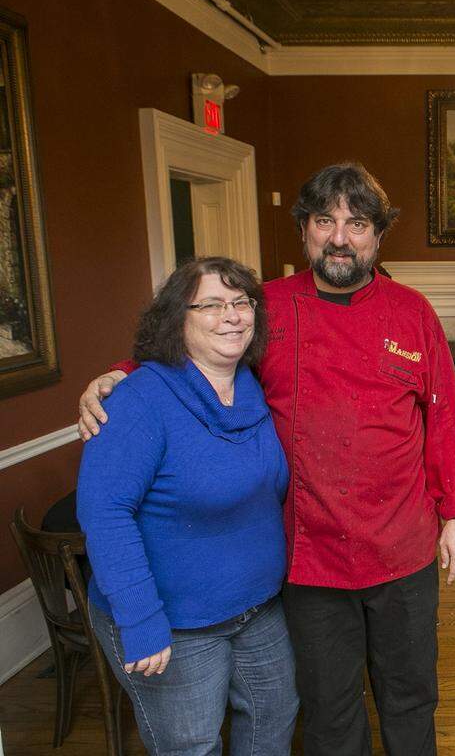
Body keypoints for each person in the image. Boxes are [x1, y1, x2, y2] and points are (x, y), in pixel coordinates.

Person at [78, 163, 455, 756]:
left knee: (411, 693)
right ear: (304, 231)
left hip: (403, 545)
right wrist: (119, 376)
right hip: (309, 554)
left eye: (357, 224)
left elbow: (444, 416)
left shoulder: (412, 311)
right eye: (325, 221)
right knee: (328, 706)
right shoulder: (263, 307)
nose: (340, 237)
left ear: (377, 236)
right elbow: (196, 350)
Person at [78, 257, 298, 755]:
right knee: (191, 745)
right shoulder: (139, 401)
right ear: (179, 317)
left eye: (242, 303)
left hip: (258, 607)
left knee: (274, 718)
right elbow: (105, 514)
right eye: (213, 304)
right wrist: (140, 620)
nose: (233, 315)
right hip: (173, 619)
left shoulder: (252, 386)